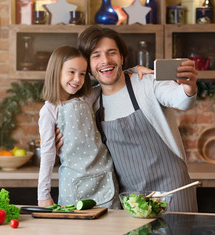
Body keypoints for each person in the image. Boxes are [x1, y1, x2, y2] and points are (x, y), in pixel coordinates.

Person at [57, 26, 199, 212]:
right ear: (88, 66)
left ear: (122, 57)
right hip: (130, 197)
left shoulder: (147, 82)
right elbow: (63, 110)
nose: (105, 60)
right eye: (96, 55)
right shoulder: (91, 101)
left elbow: (181, 99)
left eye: (112, 53)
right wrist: (55, 140)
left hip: (173, 190)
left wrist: (189, 88)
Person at [37, 45, 152, 208]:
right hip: (74, 186)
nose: (77, 79)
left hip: (105, 180)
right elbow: (48, 153)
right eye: (71, 72)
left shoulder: (86, 98)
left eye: (82, 74)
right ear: (56, 71)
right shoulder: (49, 111)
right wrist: (43, 195)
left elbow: (109, 80)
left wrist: (131, 70)